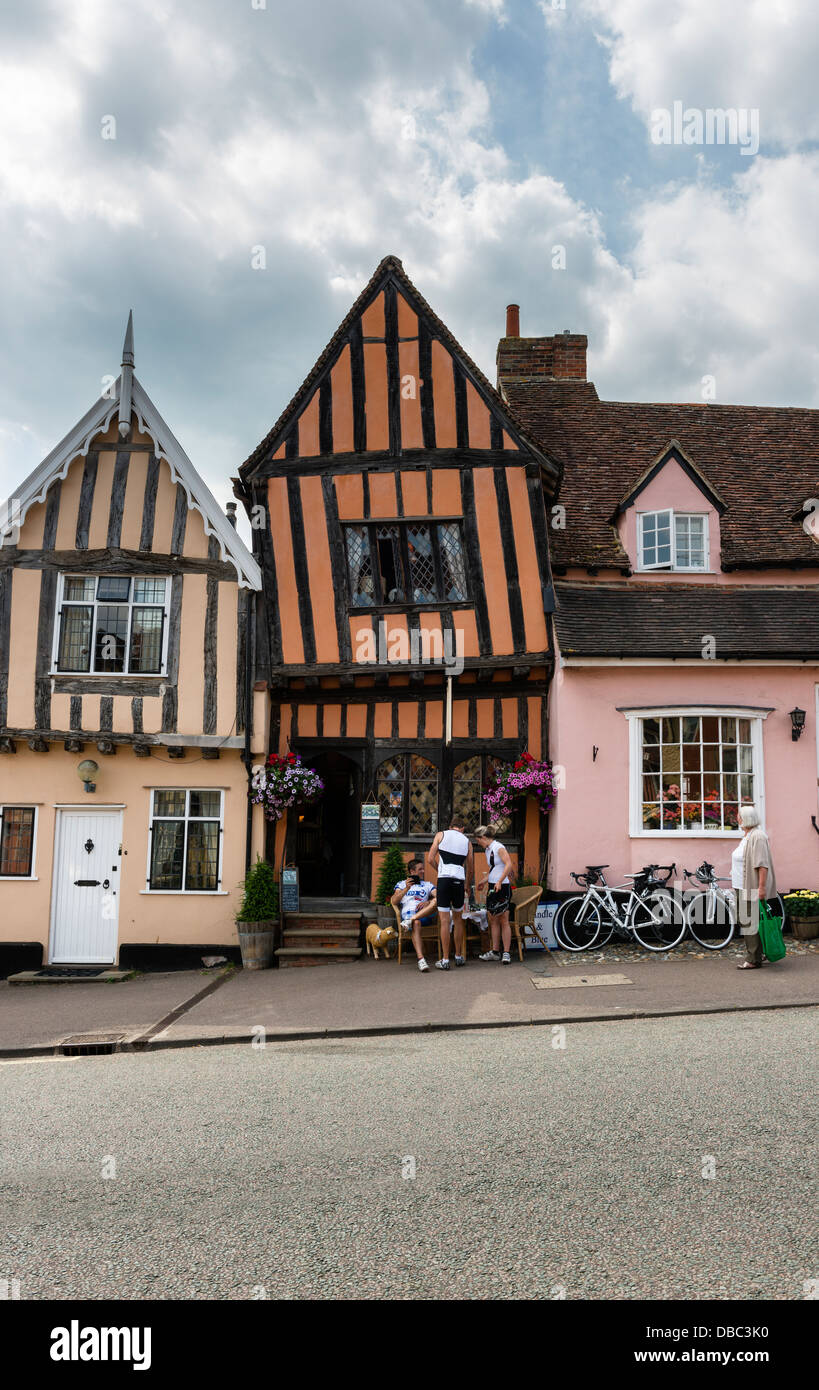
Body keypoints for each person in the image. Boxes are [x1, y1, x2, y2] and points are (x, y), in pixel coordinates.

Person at [734, 805, 780, 970]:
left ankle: (753, 959)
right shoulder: (746, 836)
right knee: (745, 920)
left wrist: (761, 888)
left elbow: (762, 865)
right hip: (740, 885)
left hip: (751, 886)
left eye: (739, 815)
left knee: (749, 921)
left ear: (746, 817)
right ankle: (758, 953)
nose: (737, 818)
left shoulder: (758, 836)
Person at [428, 819, 473, 970]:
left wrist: (440, 870)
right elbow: (471, 868)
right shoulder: (467, 841)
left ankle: (445, 959)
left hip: (444, 880)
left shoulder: (441, 835)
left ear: (450, 827)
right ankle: (459, 956)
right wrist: (467, 885)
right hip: (459, 881)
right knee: (459, 920)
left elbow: (429, 859)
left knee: (445, 921)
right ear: (462, 828)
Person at [473, 825, 516, 964]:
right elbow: (494, 868)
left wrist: (499, 881)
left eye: (478, 840)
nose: (478, 843)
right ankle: (495, 951)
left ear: (483, 838)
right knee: (493, 919)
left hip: (502, 886)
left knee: (504, 918)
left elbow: (509, 864)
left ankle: (507, 953)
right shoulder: (488, 850)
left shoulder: (498, 847)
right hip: (493, 885)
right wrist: (484, 881)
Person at [390, 858, 438, 973]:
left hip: (423, 915)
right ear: (412, 872)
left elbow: (439, 897)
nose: (423, 871)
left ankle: (421, 960)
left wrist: (428, 902)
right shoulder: (401, 884)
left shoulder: (427, 885)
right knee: (415, 922)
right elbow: (394, 901)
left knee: (435, 902)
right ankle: (421, 959)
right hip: (408, 915)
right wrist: (407, 888)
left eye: (423, 869)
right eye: (420, 869)